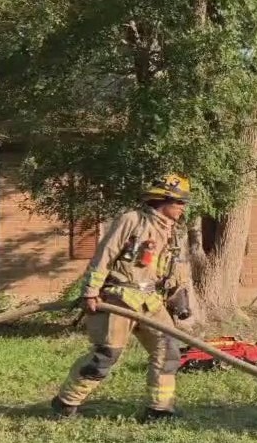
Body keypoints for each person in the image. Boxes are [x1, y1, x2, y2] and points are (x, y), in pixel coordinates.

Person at [51, 174, 193, 422]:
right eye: (179, 202)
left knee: (168, 349)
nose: (183, 208)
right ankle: (66, 403)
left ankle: (159, 409)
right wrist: (91, 292)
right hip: (119, 298)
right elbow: (105, 254)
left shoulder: (172, 232)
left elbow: (170, 268)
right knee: (107, 356)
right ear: (163, 200)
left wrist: (177, 295)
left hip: (150, 300)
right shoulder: (132, 221)